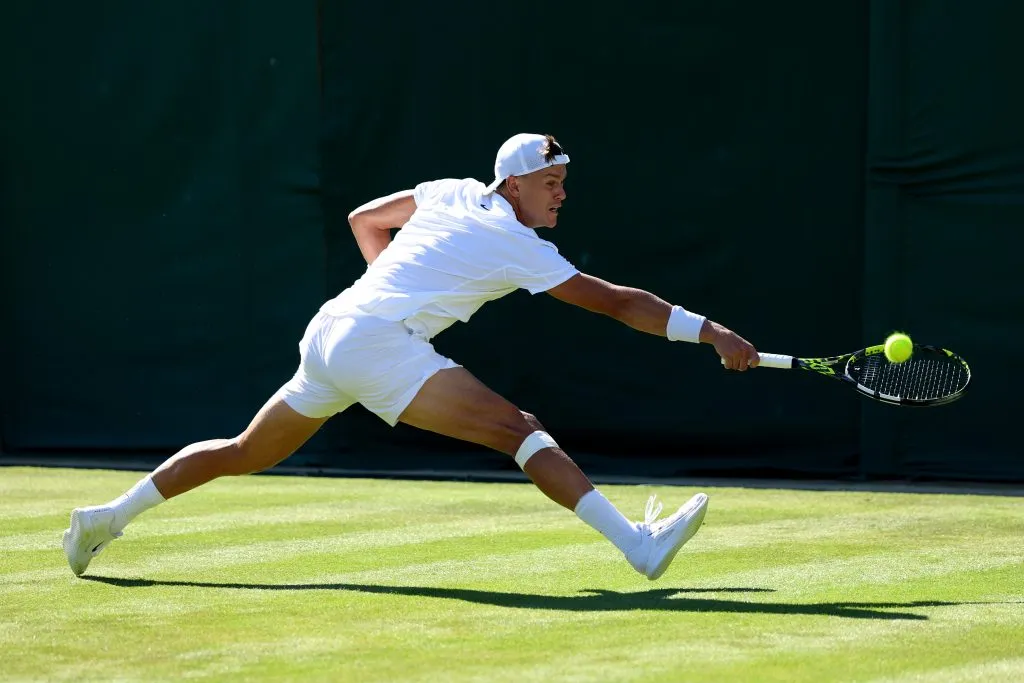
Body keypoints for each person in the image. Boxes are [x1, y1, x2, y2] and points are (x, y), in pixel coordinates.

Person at [62, 133, 760, 581]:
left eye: (563, 180)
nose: (561, 193)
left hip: (333, 327)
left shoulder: (449, 190)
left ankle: (107, 518)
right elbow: (615, 301)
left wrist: (383, 293)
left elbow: (365, 220)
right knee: (518, 427)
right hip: (368, 338)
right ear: (514, 185)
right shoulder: (517, 243)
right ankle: (637, 545)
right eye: (551, 182)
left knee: (246, 449)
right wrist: (712, 331)